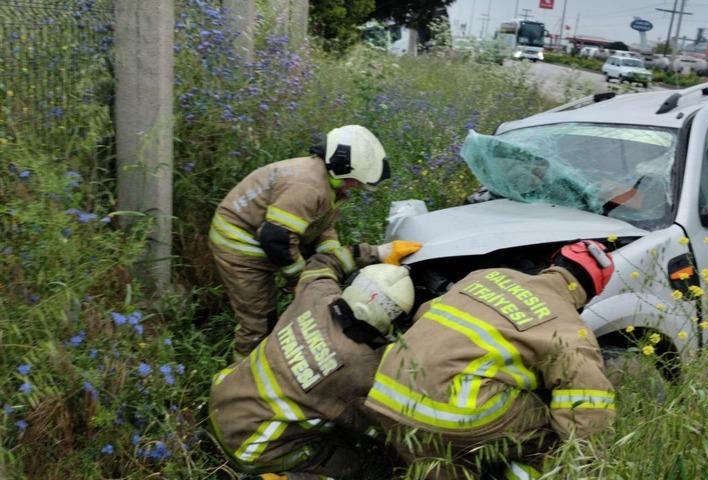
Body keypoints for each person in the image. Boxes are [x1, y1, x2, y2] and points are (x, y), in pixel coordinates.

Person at [365, 240, 617, 479]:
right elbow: (587, 415)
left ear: (552, 262)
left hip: (388, 388)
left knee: (443, 465)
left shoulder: (486, 276)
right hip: (451, 412)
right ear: (592, 293)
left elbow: (424, 314)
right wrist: (592, 465)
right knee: (555, 429)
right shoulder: (571, 330)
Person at [209, 124, 420, 357]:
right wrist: (300, 279)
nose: (357, 186)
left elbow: (321, 227)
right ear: (341, 167)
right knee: (259, 321)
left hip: (264, 234)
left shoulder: (330, 184)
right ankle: (241, 370)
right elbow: (276, 240)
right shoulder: (309, 186)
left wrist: (334, 261)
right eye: (355, 181)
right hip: (238, 242)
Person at [209, 249, 416, 479]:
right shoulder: (363, 369)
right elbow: (378, 428)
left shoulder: (316, 294)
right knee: (357, 464)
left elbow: (322, 261)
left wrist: (377, 251)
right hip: (251, 446)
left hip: (219, 401)